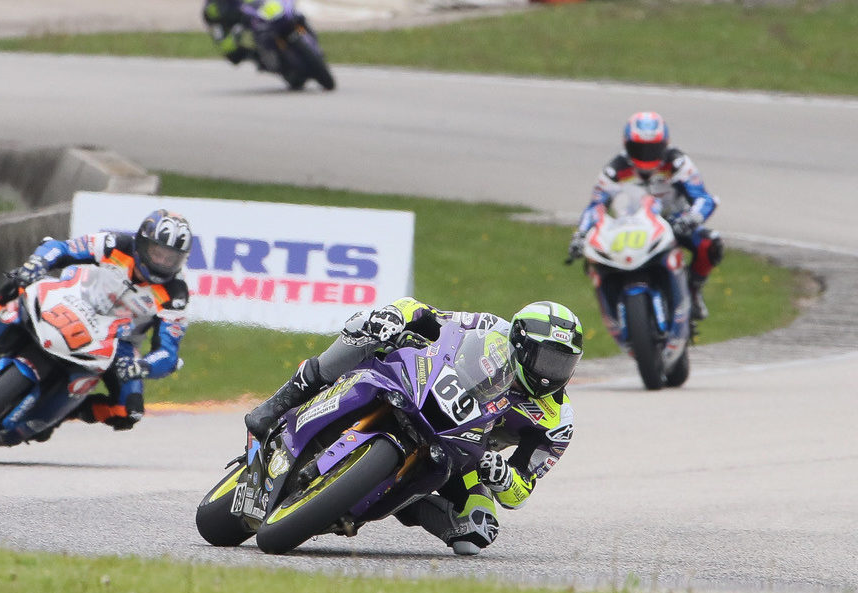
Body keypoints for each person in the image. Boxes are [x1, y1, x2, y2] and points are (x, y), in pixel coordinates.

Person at [243, 298, 583, 556]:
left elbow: (522, 491)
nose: (551, 373)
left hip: (465, 453)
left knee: (478, 530)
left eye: (564, 363)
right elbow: (428, 314)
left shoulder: (557, 420)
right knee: (367, 327)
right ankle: (281, 402)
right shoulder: (493, 329)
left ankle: (391, 495)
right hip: (422, 385)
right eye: (548, 359)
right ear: (520, 345)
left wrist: (502, 475)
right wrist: (396, 316)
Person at [0, 209, 193, 434]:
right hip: (73, 300)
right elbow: (60, 248)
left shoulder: (176, 294)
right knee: (18, 282)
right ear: (142, 243)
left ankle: (64, 412)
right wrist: (38, 263)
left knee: (130, 411)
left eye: (170, 258)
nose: (161, 262)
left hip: (118, 341)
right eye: (157, 252)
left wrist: (143, 367)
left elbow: (168, 353)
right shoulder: (115, 244)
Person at [569, 111, 724, 320]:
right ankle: (618, 310)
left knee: (709, 244)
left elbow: (703, 198)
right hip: (630, 228)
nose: (646, 154)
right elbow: (595, 206)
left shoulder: (677, 163)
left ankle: (694, 290)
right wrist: (581, 234)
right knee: (598, 261)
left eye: (653, 148)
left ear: (664, 145)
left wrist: (692, 218)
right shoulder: (614, 171)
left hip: (674, 223)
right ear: (627, 145)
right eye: (639, 148)